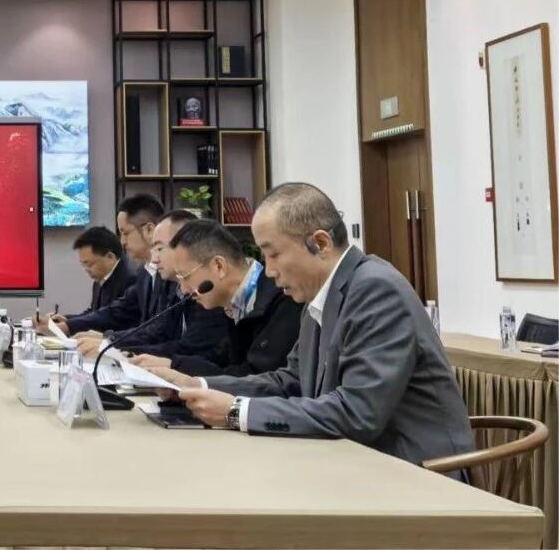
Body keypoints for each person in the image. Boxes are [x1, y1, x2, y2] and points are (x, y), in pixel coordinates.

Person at [150, 182, 474, 469]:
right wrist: (199, 385)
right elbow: (289, 380)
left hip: (417, 474)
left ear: (319, 243)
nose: (269, 270)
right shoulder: (319, 296)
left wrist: (236, 411)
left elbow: (357, 413)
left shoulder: (376, 290)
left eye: (273, 254)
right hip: (355, 463)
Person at [131, 219, 301, 377]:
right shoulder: (233, 304)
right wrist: (173, 368)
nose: (183, 290)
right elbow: (219, 360)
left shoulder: (284, 300)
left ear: (219, 266)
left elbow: (256, 377)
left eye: (185, 277)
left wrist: (178, 369)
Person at [75, 210, 228, 360]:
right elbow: (159, 331)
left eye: (160, 249)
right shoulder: (171, 282)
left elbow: (192, 349)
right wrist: (110, 342)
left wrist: (113, 348)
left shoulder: (207, 289)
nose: (154, 259)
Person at [39, 194, 165, 336]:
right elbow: (115, 311)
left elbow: (157, 333)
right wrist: (68, 323)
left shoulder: (163, 276)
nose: (122, 242)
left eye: (125, 233)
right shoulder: (145, 272)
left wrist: (107, 338)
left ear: (149, 230)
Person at [65, 226, 136, 323]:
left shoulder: (130, 279)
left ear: (110, 257)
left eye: (89, 264)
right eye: (83, 264)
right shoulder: (99, 280)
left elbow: (114, 318)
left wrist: (69, 325)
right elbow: (94, 313)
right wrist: (66, 319)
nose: (86, 270)